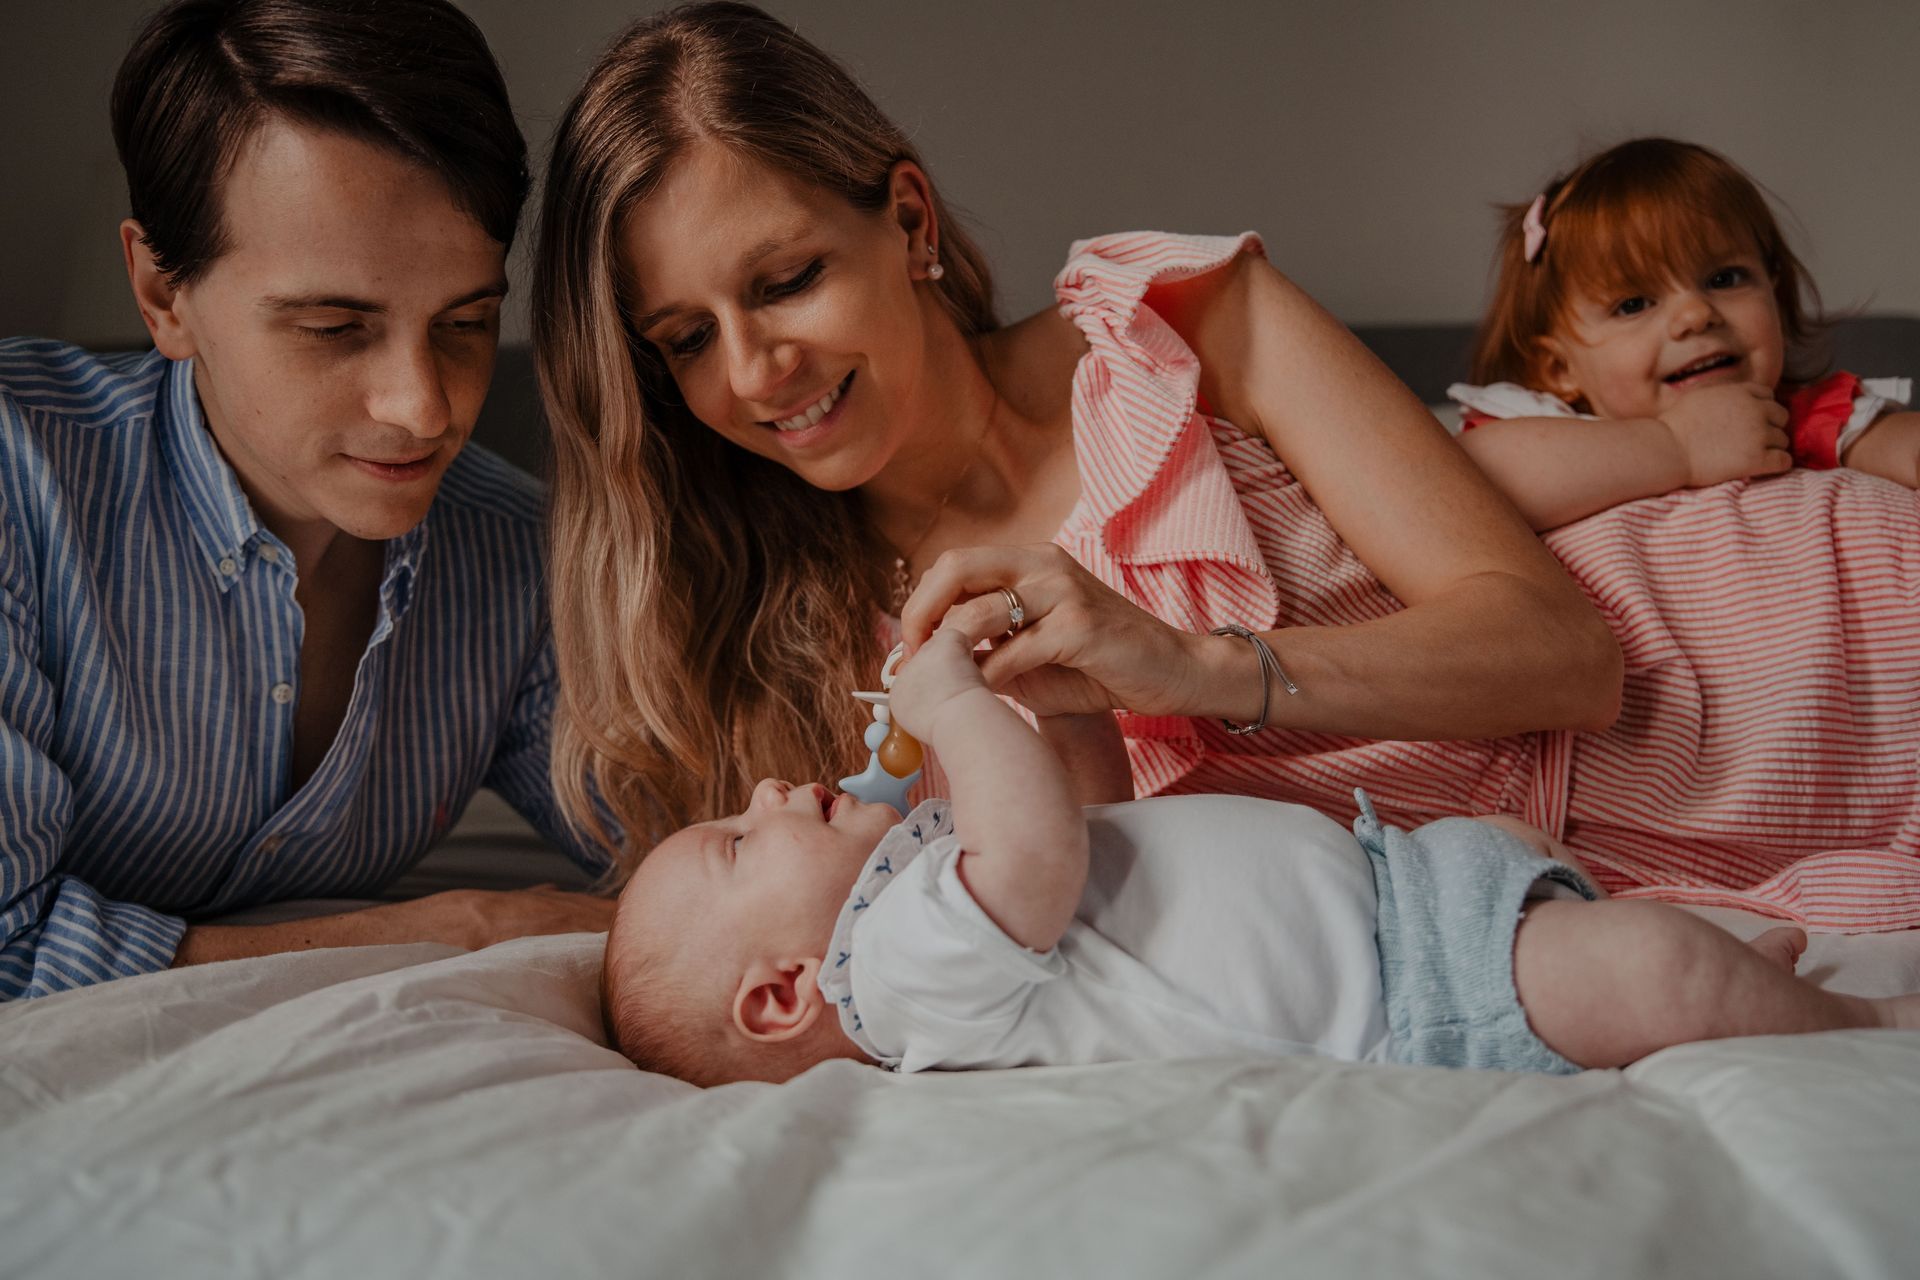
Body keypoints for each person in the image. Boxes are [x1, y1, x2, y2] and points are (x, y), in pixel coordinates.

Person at [537, 2, 1919, 931]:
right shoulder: (816, 664)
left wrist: (1192, 671)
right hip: (1655, 897)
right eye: (684, 341)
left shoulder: (1177, 324)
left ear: (906, 220)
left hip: (1795, 632)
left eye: (784, 281)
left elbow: (1563, 652)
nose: (754, 369)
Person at [0, 0, 615, 1001]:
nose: (425, 408)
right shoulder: (16, 477)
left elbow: (684, 838)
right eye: (335, 326)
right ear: (163, 294)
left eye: (465, 321)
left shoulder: (521, 556)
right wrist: (444, 931)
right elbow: (7, 944)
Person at [600, 622, 1905, 1087]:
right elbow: (1042, 860)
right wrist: (948, 712)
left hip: (1403, 881)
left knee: (1577, 896)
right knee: (1656, 975)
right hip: (1411, 994)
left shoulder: (922, 897)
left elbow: (1097, 822)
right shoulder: (889, 979)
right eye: (732, 840)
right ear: (781, 995)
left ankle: (1744, 987)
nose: (767, 789)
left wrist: (1067, 707)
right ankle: (1839, 1018)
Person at [1447, 136, 1917, 532]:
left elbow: (1897, 445)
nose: (1695, 315)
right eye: (1633, 304)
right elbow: (1466, 486)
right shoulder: (1538, 430)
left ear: (1774, 288)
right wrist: (1677, 447)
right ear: (1559, 368)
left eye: (1725, 279)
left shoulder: (1787, 420)